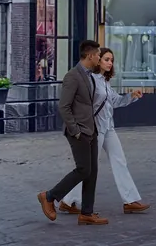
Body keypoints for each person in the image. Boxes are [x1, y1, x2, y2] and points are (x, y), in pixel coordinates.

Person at [59, 47, 147, 214]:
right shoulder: (90, 80)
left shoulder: (106, 82)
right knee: (88, 167)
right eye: (106, 59)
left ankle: (130, 200)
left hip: (108, 127)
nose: (110, 63)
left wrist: (131, 96)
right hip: (95, 129)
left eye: (111, 60)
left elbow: (116, 101)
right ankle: (68, 200)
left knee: (120, 160)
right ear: (98, 60)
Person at [37, 38, 107, 225]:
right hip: (79, 131)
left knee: (92, 172)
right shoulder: (72, 76)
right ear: (90, 56)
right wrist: (75, 130)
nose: (99, 58)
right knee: (83, 169)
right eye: (98, 55)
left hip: (91, 130)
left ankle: (87, 213)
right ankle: (49, 196)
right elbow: (64, 106)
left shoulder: (90, 75)